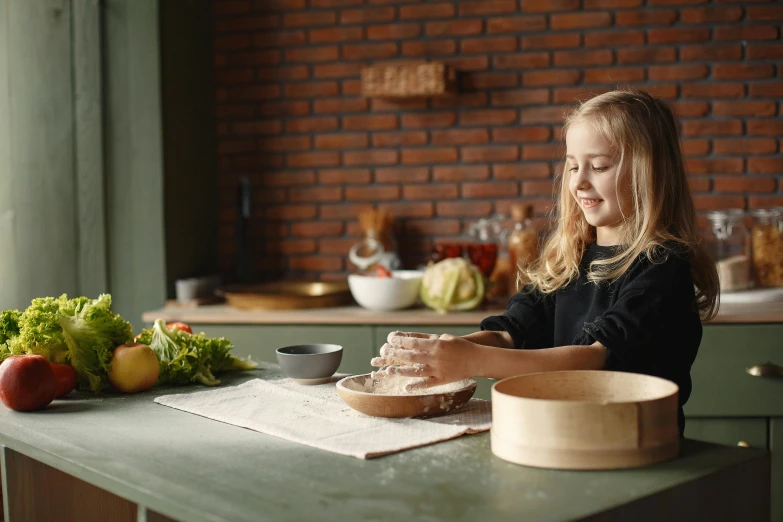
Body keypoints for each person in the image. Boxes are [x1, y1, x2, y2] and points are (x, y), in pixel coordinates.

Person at [371, 89, 719, 434]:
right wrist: (439, 352)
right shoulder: (571, 259)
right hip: (562, 437)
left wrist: (471, 360)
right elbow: (511, 335)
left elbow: (595, 360)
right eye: (572, 166)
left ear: (650, 173)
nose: (579, 182)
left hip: (635, 442)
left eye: (598, 166)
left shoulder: (662, 267)